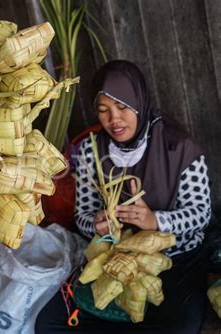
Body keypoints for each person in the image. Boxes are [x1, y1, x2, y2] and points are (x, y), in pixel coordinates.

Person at [35, 60, 211, 333]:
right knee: (49, 323)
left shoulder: (178, 148)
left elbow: (201, 214)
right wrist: (95, 224)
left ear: (139, 102)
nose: (113, 119)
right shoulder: (90, 151)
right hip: (114, 256)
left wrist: (156, 221)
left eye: (122, 107)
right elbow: (83, 215)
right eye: (103, 110)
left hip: (175, 257)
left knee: (180, 327)